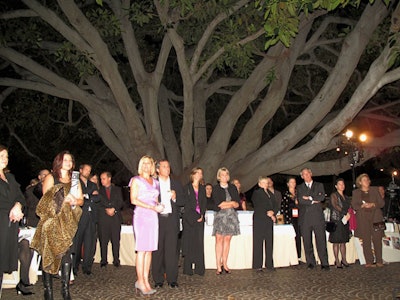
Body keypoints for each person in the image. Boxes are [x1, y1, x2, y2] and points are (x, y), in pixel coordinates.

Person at [31, 150, 84, 300]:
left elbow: (81, 200)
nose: (68, 162)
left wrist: (75, 201)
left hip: (68, 222)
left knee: (66, 254)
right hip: (52, 221)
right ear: (59, 161)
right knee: (49, 254)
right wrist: (63, 196)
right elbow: (46, 200)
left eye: (70, 160)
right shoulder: (51, 177)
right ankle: (48, 291)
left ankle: (65, 290)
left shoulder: (75, 179)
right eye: (65, 159)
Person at [130, 155, 163, 295]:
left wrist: (159, 205)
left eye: (148, 163)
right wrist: (151, 208)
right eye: (143, 163)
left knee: (149, 250)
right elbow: (133, 200)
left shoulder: (155, 182)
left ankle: (145, 280)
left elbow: (155, 200)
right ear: (140, 165)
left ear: (152, 166)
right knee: (142, 250)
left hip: (153, 217)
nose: (146, 166)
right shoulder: (136, 180)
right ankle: (140, 280)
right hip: (142, 216)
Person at [152, 160, 184, 288]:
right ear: (158, 169)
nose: (167, 168)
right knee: (158, 250)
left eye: (168, 166)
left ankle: (172, 279)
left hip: (171, 220)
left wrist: (175, 197)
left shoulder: (176, 183)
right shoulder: (153, 184)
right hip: (157, 220)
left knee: (172, 251)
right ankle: (158, 280)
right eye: (164, 166)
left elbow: (183, 201)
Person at [0, 145, 25, 297]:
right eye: (1, 155)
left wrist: (17, 205)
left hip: (9, 225)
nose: (5, 159)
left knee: (1, 263)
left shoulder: (10, 177)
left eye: (6, 156)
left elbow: (21, 197)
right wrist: (12, 209)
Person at [297, 167, 329, 271]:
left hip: (317, 217)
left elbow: (321, 197)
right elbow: (301, 200)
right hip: (305, 218)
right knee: (307, 241)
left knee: (321, 240)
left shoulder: (319, 185)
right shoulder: (300, 187)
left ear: (311, 174)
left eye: (307, 174)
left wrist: (309, 198)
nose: (306, 176)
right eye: (304, 174)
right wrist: (313, 200)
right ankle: (311, 262)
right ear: (301, 176)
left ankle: (324, 262)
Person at [351, 173, 385, 268]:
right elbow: (354, 205)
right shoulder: (356, 192)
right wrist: (362, 205)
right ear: (360, 182)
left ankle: (379, 260)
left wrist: (373, 204)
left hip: (376, 217)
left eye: (367, 179)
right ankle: (369, 261)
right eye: (364, 180)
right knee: (366, 240)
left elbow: (381, 203)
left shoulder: (375, 190)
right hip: (363, 218)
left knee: (377, 239)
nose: (366, 181)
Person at [212, 167, 240, 275]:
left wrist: (231, 204)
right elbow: (219, 204)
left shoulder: (232, 187)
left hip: (231, 217)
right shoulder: (216, 188)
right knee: (219, 239)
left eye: (226, 174)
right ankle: (218, 265)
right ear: (219, 176)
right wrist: (231, 203)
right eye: (222, 175)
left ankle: (225, 263)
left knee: (227, 240)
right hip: (220, 216)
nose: (224, 177)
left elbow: (237, 203)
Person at [72, 164, 100, 276]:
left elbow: (98, 198)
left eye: (90, 170)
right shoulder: (75, 183)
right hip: (80, 216)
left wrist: (85, 196)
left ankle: (87, 267)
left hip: (91, 217)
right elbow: (76, 198)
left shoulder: (93, 184)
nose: (88, 172)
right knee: (77, 242)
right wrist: (89, 196)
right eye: (86, 170)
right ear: (80, 170)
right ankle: (74, 266)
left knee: (89, 242)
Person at [182, 167, 207, 276]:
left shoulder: (202, 188)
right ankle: (188, 268)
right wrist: (195, 216)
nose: (199, 175)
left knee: (199, 243)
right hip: (189, 219)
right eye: (197, 173)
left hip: (200, 219)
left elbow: (204, 203)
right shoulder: (186, 188)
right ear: (192, 174)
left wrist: (201, 215)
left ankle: (199, 268)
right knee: (189, 243)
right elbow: (186, 204)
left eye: (201, 173)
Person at [98, 171, 124, 268]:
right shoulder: (99, 190)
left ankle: (116, 260)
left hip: (115, 218)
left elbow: (121, 202)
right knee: (103, 240)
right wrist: (106, 209)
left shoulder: (117, 189)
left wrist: (114, 209)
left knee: (115, 240)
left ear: (109, 178)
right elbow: (98, 203)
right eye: (101, 179)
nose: (102, 181)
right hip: (103, 219)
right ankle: (103, 260)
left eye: (103, 178)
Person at [251, 176, 276, 272]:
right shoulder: (257, 193)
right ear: (259, 184)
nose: (266, 184)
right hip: (260, 219)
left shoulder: (270, 193)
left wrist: (272, 212)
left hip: (268, 220)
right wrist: (269, 212)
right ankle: (257, 265)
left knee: (269, 241)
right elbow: (259, 205)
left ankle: (269, 264)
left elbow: (275, 204)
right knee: (258, 242)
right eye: (264, 182)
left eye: (267, 182)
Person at [329, 178, 351, 268]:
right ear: (336, 186)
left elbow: (349, 206)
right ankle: (337, 260)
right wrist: (345, 213)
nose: (342, 186)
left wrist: (349, 214)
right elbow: (335, 206)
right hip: (335, 220)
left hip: (344, 220)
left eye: (343, 184)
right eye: (339, 184)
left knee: (343, 241)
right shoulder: (333, 195)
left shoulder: (346, 197)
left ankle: (344, 259)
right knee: (336, 241)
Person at [281, 176, 301, 260]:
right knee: (292, 236)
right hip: (289, 218)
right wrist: (282, 220)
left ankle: (299, 255)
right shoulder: (285, 194)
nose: (293, 184)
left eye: (294, 182)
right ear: (288, 184)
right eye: (291, 182)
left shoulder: (299, 193)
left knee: (299, 235)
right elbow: (283, 208)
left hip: (299, 217)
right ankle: (291, 256)